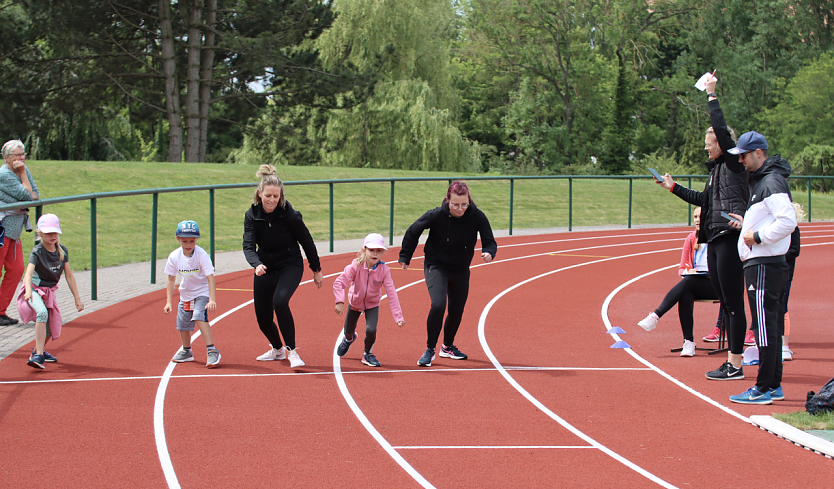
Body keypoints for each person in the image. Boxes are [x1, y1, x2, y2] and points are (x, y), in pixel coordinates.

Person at [656, 75, 749, 380]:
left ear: (722, 145)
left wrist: (711, 96)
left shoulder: (734, 164)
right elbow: (702, 200)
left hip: (730, 236)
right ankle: (732, 362)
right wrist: (673, 188)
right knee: (727, 302)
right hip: (715, 239)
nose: (705, 148)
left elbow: (721, 130)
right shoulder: (716, 172)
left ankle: (735, 363)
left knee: (734, 305)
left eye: (709, 144)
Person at [725, 131, 796, 405]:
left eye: (743, 155)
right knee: (771, 326)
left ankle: (764, 387)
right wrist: (747, 224)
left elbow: (787, 221)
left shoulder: (771, 181)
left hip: (765, 265)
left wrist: (757, 237)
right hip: (761, 263)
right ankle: (773, 386)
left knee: (765, 327)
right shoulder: (764, 182)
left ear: (757, 153)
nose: (740, 160)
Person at [398, 181, 497, 367]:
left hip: (460, 269)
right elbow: (414, 230)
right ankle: (430, 349)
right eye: (455, 205)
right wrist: (405, 255)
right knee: (438, 304)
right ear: (447, 200)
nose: (460, 209)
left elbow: (489, 240)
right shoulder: (436, 215)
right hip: (436, 265)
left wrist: (489, 252)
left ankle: (447, 346)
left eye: (464, 204)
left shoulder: (476, 216)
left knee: (457, 310)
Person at [243, 164, 323, 368]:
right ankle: (277, 349)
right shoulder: (252, 216)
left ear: (281, 196)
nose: (271, 200)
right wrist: (256, 264)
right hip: (265, 267)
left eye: (275, 196)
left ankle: (291, 351)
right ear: (260, 194)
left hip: (290, 264)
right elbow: (248, 246)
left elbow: (307, 241)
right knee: (262, 317)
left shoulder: (290, 215)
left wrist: (316, 270)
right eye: (268, 195)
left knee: (280, 301)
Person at [638, 207, 720, 356]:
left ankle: (656, 316)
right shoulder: (690, 238)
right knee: (686, 294)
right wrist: (692, 272)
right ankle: (688, 342)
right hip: (696, 282)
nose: (697, 220)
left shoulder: (717, 238)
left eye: (700, 216)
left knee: (689, 283)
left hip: (717, 286)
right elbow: (681, 269)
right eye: (695, 216)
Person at [17, 214, 83, 369]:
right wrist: (27, 291)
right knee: (42, 313)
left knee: (52, 327)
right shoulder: (37, 251)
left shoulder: (62, 251)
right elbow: (28, 274)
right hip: (33, 290)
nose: (53, 235)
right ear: (40, 233)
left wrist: (77, 298)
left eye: (55, 232)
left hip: (49, 293)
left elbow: (69, 276)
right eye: (48, 233)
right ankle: (39, 355)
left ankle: (38, 351)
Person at [333, 233, 405, 367]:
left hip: (372, 304)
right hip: (355, 303)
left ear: (383, 253)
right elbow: (339, 283)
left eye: (379, 251)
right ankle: (349, 339)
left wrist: (398, 316)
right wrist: (339, 301)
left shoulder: (384, 271)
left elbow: (391, 293)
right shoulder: (355, 266)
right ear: (364, 251)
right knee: (348, 330)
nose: (375, 254)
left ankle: (367, 354)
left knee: (371, 330)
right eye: (371, 250)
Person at [163, 220, 220, 368]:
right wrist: (168, 301)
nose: (188, 245)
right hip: (185, 294)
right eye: (184, 241)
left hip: (202, 292)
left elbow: (210, 278)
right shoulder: (174, 256)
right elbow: (170, 279)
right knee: (183, 324)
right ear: (178, 239)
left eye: (192, 241)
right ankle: (187, 351)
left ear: (197, 240)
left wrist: (212, 299)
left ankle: (212, 350)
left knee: (199, 317)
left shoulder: (201, 255)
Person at [0, 140, 38, 326]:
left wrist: (23, 173)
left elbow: (35, 195)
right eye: (17, 155)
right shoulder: (4, 174)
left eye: (23, 154)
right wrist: (23, 175)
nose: (22, 158)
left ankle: (0, 311)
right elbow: (27, 196)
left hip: (14, 231)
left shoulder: (23, 170)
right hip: (2, 229)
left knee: (16, 269)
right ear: (7, 158)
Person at [780, 202, 802, 361]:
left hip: (785, 273)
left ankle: (784, 345)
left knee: (783, 307)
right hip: (770, 272)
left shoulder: (794, 230)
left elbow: (795, 250)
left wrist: (779, 255)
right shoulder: (775, 229)